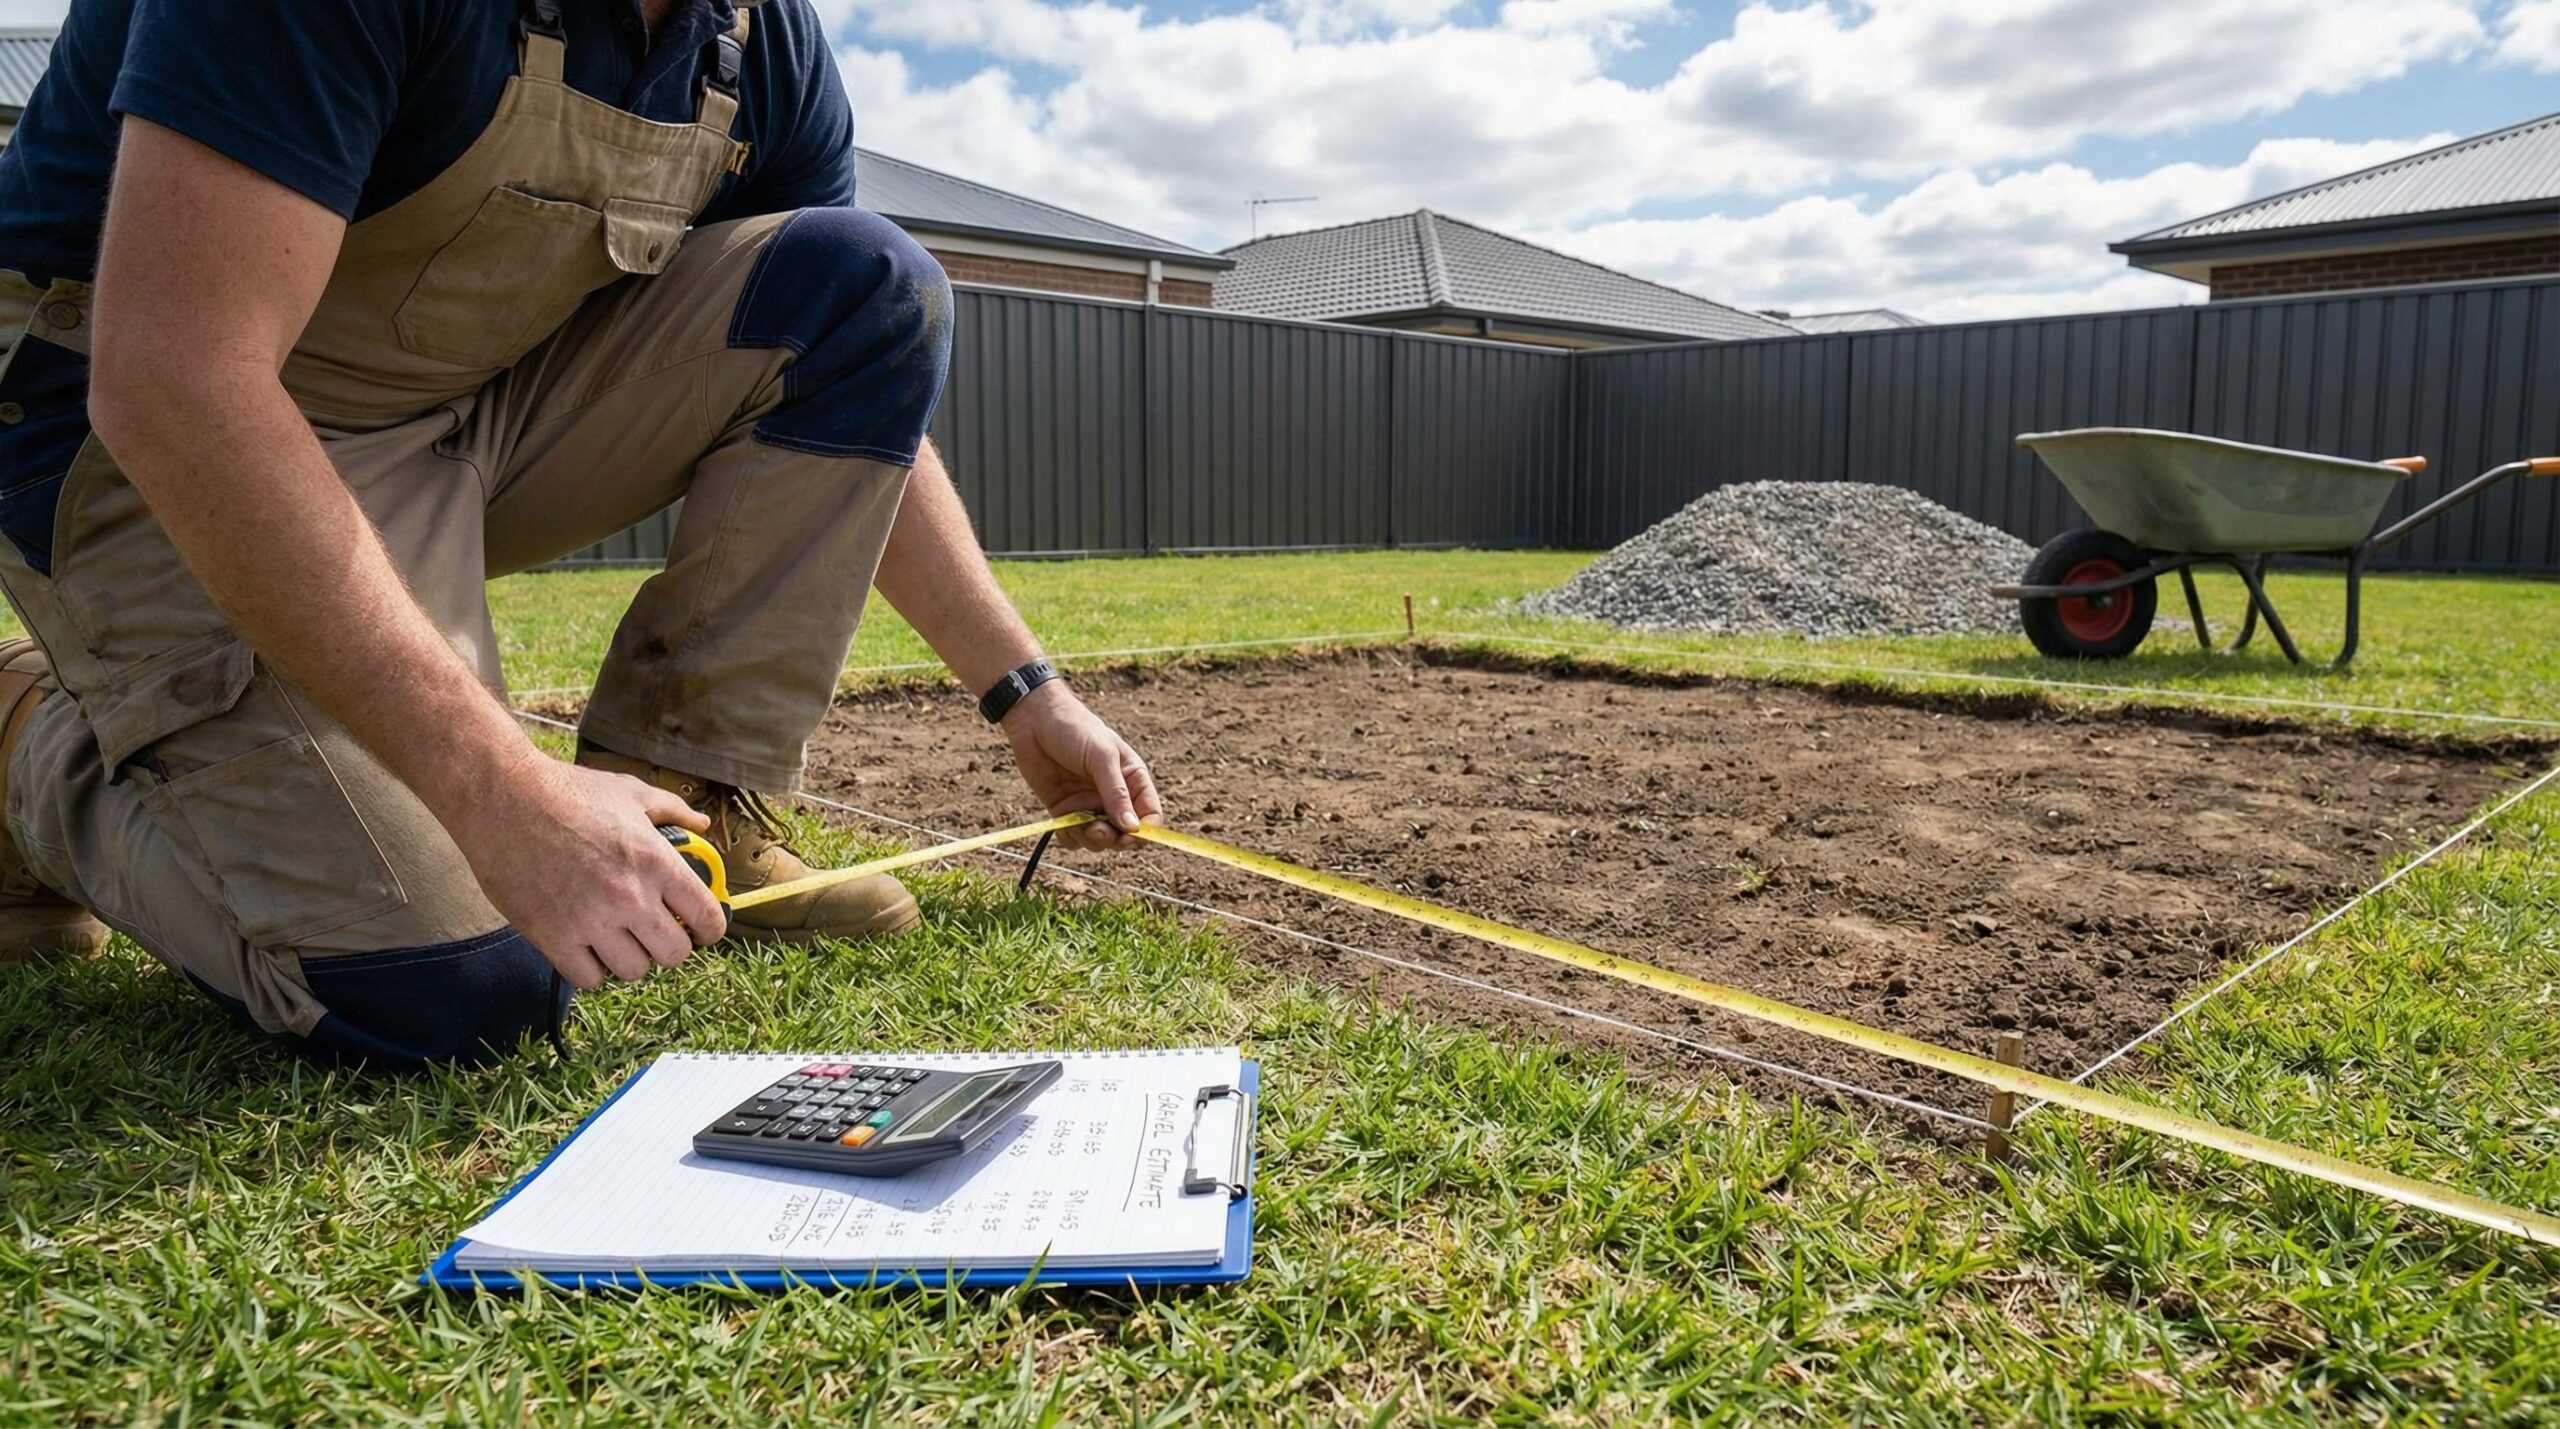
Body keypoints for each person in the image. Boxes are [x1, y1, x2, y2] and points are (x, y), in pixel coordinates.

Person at [0, 0, 1161, 1065]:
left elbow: (858, 384)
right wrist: (503, 794)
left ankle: (679, 800)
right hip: (126, 433)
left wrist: (1028, 692)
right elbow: (173, 379)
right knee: (457, 986)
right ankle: (25, 733)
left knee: (863, 282)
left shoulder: (761, 43)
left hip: (453, 409)